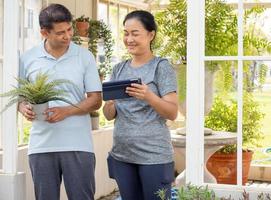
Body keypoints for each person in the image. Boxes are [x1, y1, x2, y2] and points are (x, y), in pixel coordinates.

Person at [18, 4, 102, 200]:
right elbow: (20, 97)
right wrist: (23, 108)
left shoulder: (85, 57)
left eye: (69, 29)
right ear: (44, 33)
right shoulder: (27, 59)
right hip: (41, 146)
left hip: (78, 145)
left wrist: (66, 111)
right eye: (60, 32)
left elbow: (96, 100)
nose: (68, 36)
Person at [103, 10, 178, 200]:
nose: (129, 39)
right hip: (122, 155)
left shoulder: (161, 67)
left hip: (154, 156)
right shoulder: (118, 68)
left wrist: (149, 96)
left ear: (151, 35)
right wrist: (110, 105)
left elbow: (172, 112)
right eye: (126, 33)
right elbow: (109, 114)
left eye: (135, 33)